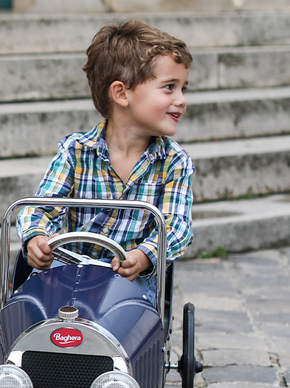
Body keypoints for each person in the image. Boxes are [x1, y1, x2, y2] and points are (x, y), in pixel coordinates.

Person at [17, 19, 194, 304]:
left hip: (129, 283)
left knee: (131, 316)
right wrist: (37, 238)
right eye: (170, 87)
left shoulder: (174, 163)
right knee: (34, 305)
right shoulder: (76, 151)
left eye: (184, 88)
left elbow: (176, 227)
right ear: (122, 93)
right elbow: (41, 208)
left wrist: (143, 255)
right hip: (67, 271)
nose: (181, 99)